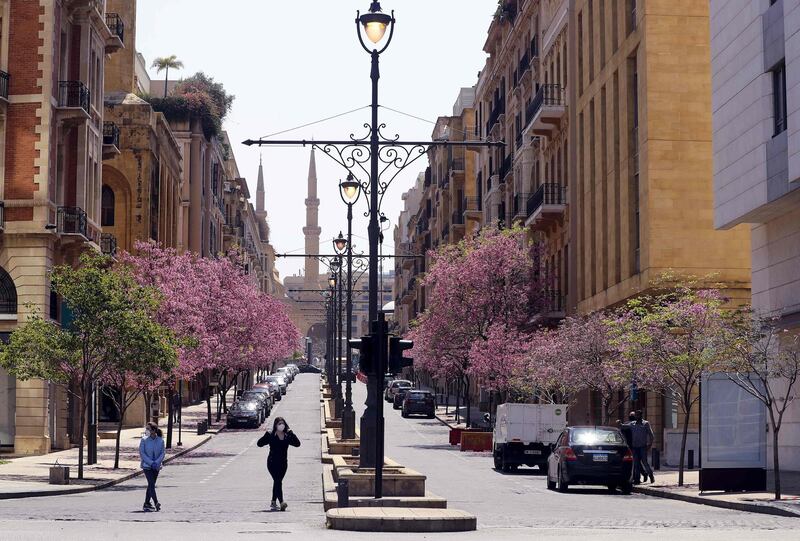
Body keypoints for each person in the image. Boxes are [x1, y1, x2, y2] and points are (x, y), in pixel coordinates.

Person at [257, 416, 300, 511]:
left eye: (283, 423)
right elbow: (259, 444)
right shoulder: (271, 435)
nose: (281, 425)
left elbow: (297, 444)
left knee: (277, 481)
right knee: (278, 481)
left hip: (283, 463)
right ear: (275, 425)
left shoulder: (287, 436)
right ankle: (281, 502)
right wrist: (266, 436)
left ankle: (273, 502)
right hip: (272, 462)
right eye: (279, 423)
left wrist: (292, 433)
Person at [139, 421, 165, 512]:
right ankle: (156, 502)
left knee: (151, 485)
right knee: (151, 484)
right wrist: (151, 463)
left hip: (156, 467)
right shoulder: (144, 440)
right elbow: (142, 453)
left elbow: (162, 453)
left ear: (154, 430)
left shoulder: (160, 440)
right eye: (146, 429)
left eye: (148, 429)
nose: (146, 430)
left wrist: (157, 463)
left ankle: (146, 503)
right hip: (147, 466)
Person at [627, 410, 655, 484]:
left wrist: (650, 444)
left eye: (638, 415)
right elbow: (624, 426)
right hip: (635, 447)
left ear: (641, 415)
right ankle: (637, 479)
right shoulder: (632, 424)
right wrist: (620, 424)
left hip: (642, 447)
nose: (637, 416)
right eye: (636, 415)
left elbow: (651, 435)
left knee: (644, 462)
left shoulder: (645, 423)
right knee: (636, 463)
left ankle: (651, 475)